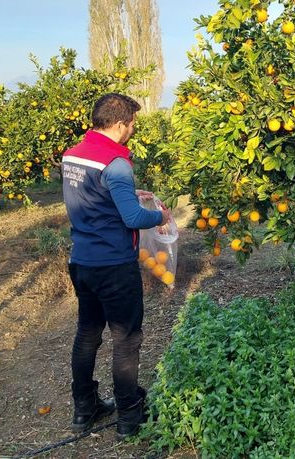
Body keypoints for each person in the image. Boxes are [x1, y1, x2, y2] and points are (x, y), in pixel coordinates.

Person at [61, 93, 170, 439]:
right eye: (133, 123)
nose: (133, 129)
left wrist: (127, 194)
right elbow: (134, 218)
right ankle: (129, 417)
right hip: (114, 266)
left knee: (88, 333)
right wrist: (161, 215)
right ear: (121, 124)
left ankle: (84, 408)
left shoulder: (73, 155)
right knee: (126, 340)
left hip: (82, 261)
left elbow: (94, 197)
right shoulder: (117, 164)